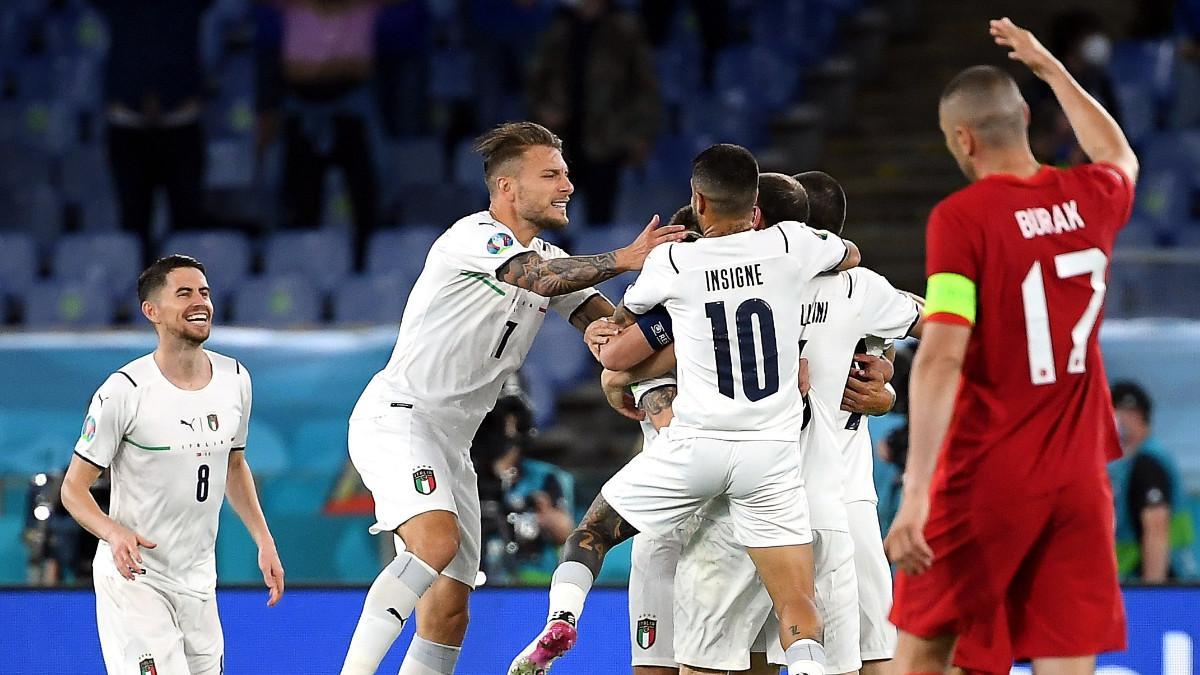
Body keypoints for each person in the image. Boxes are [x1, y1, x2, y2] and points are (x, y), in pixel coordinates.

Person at [339, 121, 684, 675]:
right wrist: (626, 257)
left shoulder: (547, 256)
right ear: (507, 188)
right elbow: (539, 279)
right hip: (401, 418)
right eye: (551, 174)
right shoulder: (473, 239)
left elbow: (607, 323)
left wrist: (621, 350)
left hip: (454, 444)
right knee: (434, 542)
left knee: (449, 612)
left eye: (567, 173)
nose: (567, 185)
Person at [509, 144, 862, 675]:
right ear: (756, 204)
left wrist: (614, 347)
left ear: (698, 200)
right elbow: (849, 255)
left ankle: (562, 617)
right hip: (770, 456)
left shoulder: (675, 259)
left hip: (693, 446)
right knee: (797, 604)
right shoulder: (792, 245)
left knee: (593, 532)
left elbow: (623, 330)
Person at [884, 18, 1139, 674]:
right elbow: (1120, 157)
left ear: (962, 139)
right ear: (1025, 116)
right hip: (1081, 476)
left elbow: (941, 354)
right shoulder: (1091, 196)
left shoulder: (963, 219)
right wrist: (1053, 69)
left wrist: (914, 494)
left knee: (921, 652)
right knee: (1062, 659)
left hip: (986, 475)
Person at [601, 172, 920, 675]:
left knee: (725, 661)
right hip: (830, 506)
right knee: (866, 656)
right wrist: (887, 381)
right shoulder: (859, 290)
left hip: (733, 508)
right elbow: (933, 320)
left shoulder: (714, 283)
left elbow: (622, 361)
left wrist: (623, 374)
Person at [59, 254, 285, 674]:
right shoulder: (123, 392)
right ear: (152, 311)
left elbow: (233, 465)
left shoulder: (236, 378)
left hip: (199, 580)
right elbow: (73, 489)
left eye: (204, 292)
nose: (200, 302)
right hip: (136, 580)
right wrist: (114, 532)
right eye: (184, 293)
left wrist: (264, 539)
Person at [88, 1, 212, 259]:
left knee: (187, 222)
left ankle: (186, 294)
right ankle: (142, 292)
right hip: (127, 125)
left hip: (181, 123)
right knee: (134, 222)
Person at [527, 0, 661, 224]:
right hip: (561, 137)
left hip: (607, 138)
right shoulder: (559, 26)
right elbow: (536, 77)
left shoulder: (624, 27)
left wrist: (640, 134)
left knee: (600, 217)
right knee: (548, 213)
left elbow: (644, 85)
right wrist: (544, 108)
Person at [473, 375, 575, 585]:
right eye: (496, 420)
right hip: (481, 579)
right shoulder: (468, 475)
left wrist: (544, 516)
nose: (505, 430)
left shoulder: (546, 477)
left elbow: (566, 532)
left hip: (533, 583)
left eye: (511, 419)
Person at [1109, 380, 1195, 582]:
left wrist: (1152, 594)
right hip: (1159, 584)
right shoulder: (1128, 465)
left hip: (1160, 586)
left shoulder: (1147, 465)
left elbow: (1156, 526)